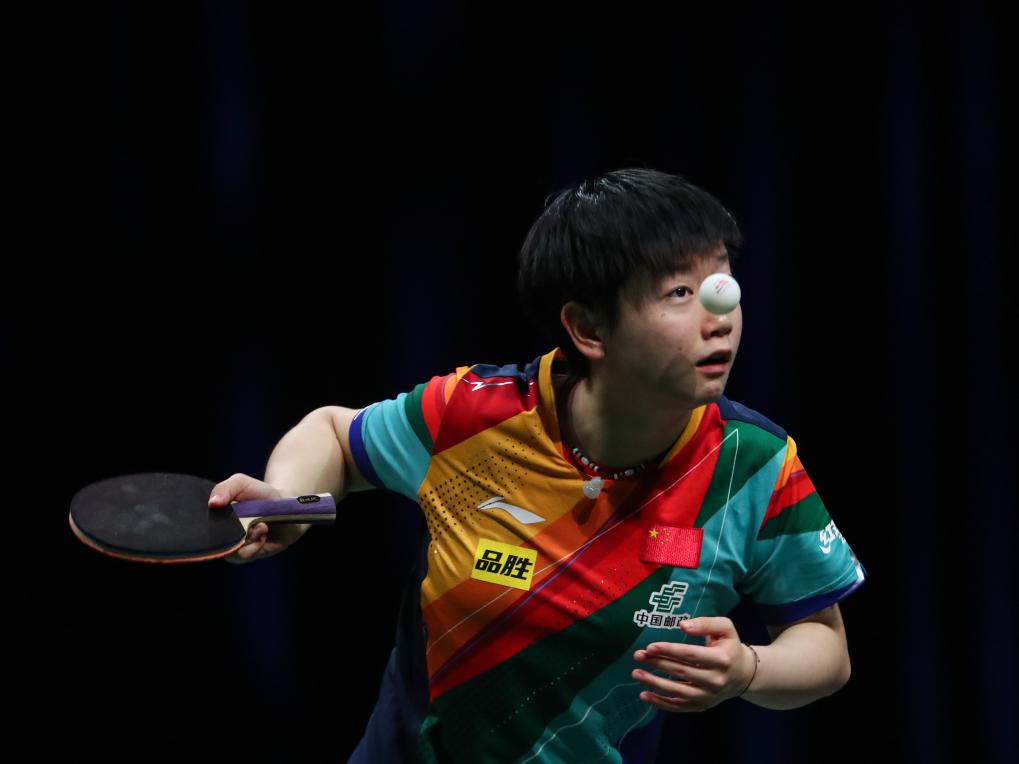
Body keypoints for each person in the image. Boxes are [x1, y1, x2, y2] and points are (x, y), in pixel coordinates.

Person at [209, 168, 867, 763]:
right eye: (678, 292)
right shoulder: (472, 418)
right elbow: (333, 433)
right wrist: (286, 504)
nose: (720, 318)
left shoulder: (751, 465)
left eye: (721, 285)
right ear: (589, 329)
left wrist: (748, 670)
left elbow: (824, 647)